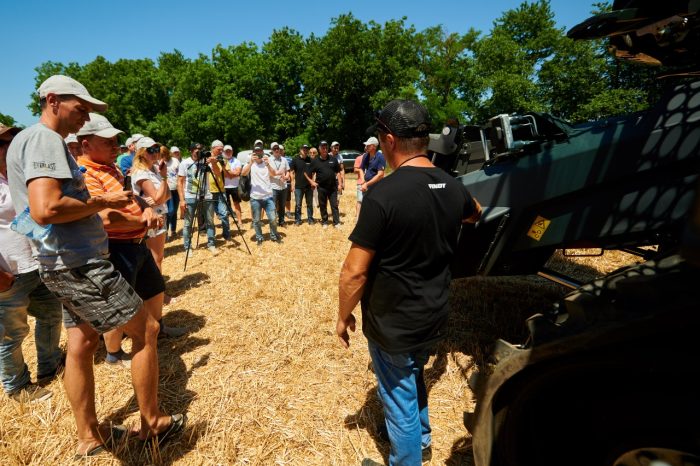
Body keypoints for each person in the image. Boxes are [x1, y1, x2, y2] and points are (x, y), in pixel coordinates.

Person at [6, 75, 185, 458]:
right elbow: (45, 208)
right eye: (80, 107)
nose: (84, 115)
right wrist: (104, 202)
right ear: (53, 100)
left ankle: (89, 436)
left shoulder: (25, 139)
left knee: (82, 343)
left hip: (60, 261)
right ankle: (153, 422)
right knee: (147, 329)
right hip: (79, 262)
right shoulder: (44, 139)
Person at [337, 100, 482, 466]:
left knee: (398, 398)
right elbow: (476, 213)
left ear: (388, 139)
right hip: (433, 314)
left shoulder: (383, 195)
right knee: (413, 375)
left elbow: (354, 271)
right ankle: (424, 439)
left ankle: (406, 460)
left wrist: (343, 316)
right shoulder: (452, 185)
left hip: (394, 322)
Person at [1, 123, 63, 403]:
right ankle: (17, 387)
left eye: (12, 139)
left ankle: (50, 365)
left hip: (35, 263)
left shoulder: (17, 175)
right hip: (8, 273)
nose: (11, 145)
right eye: (5, 141)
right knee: (11, 335)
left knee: (51, 314)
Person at [131, 137, 170, 271]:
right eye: (151, 150)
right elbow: (159, 198)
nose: (155, 152)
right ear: (141, 152)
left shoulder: (154, 169)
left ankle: (158, 290)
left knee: (158, 257)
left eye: (157, 149)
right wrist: (164, 178)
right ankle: (159, 291)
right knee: (155, 258)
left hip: (160, 214)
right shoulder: (141, 173)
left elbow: (167, 195)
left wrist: (159, 197)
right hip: (152, 217)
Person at [178, 143, 218, 255]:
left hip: (206, 194)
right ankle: (187, 247)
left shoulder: (206, 161)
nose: (198, 151)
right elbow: (180, 182)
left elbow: (217, 173)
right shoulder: (185, 163)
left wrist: (213, 163)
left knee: (210, 221)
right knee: (188, 223)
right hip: (190, 195)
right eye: (196, 149)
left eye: (200, 149)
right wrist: (182, 200)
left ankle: (211, 244)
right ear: (191, 150)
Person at [241, 142, 282, 245]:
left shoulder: (267, 161)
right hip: (255, 198)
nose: (258, 153)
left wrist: (267, 164)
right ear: (253, 153)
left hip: (268, 196)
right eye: (256, 151)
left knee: (273, 218)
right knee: (256, 220)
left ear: (263, 152)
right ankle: (259, 237)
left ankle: (273, 235)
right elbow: (243, 173)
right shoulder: (250, 163)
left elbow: (273, 174)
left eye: (260, 151)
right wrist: (251, 162)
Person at [309, 141, 341, 228]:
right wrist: (311, 181)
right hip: (321, 188)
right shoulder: (315, 161)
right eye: (323, 148)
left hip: (333, 187)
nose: (325, 149)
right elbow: (309, 172)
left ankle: (336, 222)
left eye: (326, 147)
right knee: (323, 205)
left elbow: (338, 172)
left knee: (334, 205)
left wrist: (340, 184)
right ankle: (325, 222)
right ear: (319, 149)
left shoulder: (333, 159)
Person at [208, 140, 231, 242]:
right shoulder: (205, 158)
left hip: (221, 190)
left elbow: (226, 174)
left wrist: (222, 164)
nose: (221, 151)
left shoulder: (223, 159)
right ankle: (211, 237)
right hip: (208, 191)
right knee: (210, 216)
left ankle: (226, 233)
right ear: (213, 148)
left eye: (222, 149)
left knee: (224, 213)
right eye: (219, 149)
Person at [289, 144, 314, 225]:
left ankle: (310, 219)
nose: (305, 151)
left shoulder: (310, 160)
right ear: (300, 150)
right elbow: (291, 172)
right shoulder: (295, 160)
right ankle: (298, 220)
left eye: (306, 149)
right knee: (298, 204)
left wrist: (312, 182)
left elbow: (313, 172)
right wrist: (292, 184)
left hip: (309, 187)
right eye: (304, 149)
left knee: (309, 204)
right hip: (298, 186)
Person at [269, 142, 289, 227]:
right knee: (273, 206)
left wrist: (286, 177)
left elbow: (287, 171)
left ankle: (282, 221)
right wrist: (278, 174)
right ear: (272, 150)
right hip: (273, 187)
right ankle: (273, 222)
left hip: (283, 186)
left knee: (282, 205)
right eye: (274, 149)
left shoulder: (284, 160)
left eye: (278, 148)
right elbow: (268, 173)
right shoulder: (269, 160)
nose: (277, 150)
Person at [222, 144, 243, 224]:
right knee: (225, 206)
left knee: (236, 204)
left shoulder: (237, 161)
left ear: (232, 151)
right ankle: (226, 223)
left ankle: (240, 221)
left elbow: (238, 173)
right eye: (226, 151)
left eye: (229, 151)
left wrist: (227, 173)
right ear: (224, 152)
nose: (228, 152)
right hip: (224, 186)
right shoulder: (221, 161)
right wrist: (231, 173)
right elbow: (221, 174)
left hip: (235, 186)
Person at [163, 146, 180, 238]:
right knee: (170, 211)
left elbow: (179, 173)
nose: (164, 156)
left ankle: (173, 230)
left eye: (165, 154)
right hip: (167, 190)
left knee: (175, 211)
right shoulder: (159, 162)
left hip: (176, 189)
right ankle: (165, 231)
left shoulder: (175, 161)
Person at [354, 153, 365, 220]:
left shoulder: (374, 158)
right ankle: (357, 218)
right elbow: (355, 170)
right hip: (360, 182)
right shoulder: (359, 158)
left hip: (371, 182)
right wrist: (362, 170)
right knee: (360, 200)